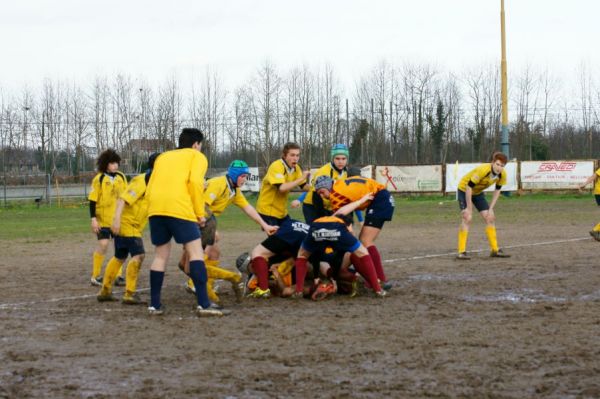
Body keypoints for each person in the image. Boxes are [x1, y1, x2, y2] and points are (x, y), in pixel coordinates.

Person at [144, 128, 227, 317]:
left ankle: (154, 305)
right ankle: (204, 304)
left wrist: (152, 208)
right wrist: (199, 213)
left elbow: (151, 182)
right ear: (196, 144)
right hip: (180, 207)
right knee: (196, 252)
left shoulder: (163, 157)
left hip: (155, 208)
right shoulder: (197, 156)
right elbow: (195, 183)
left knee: (160, 256)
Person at [181, 160, 279, 302]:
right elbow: (201, 205)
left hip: (204, 222)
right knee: (208, 251)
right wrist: (210, 228)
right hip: (195, 219)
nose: (245, 179)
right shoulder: (219, 184)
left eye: (246, 176)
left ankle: (206, 283)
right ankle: (196, 284)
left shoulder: (234, 191)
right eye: (242, 176)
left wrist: (265, 225)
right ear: (234, 175)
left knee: (209, 255)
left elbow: (248, 208)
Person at [96, 153, 159, 304]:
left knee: (119, 256)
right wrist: (116, 220)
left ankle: (105, 291)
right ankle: (129, 293)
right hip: (127, 224)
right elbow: (122, 200)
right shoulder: (142, 180)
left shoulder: (155, 182)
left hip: (132, 225)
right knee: (139, 255)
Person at [311, 174, 394, 289]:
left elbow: (337, 220)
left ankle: (381, 279)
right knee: (364, 240)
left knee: (365, 240)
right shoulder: (340, 185)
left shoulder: (335, 194)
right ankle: (376, 278)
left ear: (328, 186)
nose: (322, 196)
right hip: (382, 197)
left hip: (380, 199)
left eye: (322, 191)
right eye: (319, 193)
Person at [293, 213, 386, 298]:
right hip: (335, 233)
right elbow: (339, 257)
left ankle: (298, 291)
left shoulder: (324, 221)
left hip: (315, 227)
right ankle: (378, 290)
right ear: (348, 226)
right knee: (363, 253)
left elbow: (315, 255)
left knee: (301, 256)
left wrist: (316, 277)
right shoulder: (342, 226)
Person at [456, 151, 511, 260]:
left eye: (502, 166)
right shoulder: (483, 170)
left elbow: (497, 191)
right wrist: (469, 209)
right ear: (492, 162)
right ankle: (461, 252)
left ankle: (495, 250)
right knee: (467, 218)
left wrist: (491, 209)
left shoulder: (502, 174)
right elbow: (469, 187)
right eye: (498, 164)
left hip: (477, 193)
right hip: (464, 189)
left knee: (490, 218)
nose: (499, 168)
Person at [87, 149, 127, 287]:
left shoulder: (121, 177)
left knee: (120, 247)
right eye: (112, 163)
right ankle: (95, 276)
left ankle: (118, 275)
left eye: (116, 162)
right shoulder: (99, 179)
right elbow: (92, 200)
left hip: (118, 220)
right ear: (105, 164)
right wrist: (93, 219)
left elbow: (126, 197)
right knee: (103, 245)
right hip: (103, 220)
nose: (115, 165)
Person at [246, 218, 311, 298]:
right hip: (308, 235)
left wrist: (276, 273)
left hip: (290, 233)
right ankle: (323, 284)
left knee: (257, 253)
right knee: (310, 262)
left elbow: (282, 290)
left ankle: (263, 290)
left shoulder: (269, 262)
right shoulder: (289, 221)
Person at [256, 142, 310, 226]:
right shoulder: (277, 166)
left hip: (281, 212)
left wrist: (317, 188)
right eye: (292, 155)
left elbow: (303, 186)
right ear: (284, 155)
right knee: (278, 238)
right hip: (268, 211)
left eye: (297, 155)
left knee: (289, 235)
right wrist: (301, 178)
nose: (295, 158)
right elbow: (282, 188)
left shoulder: (296, 168)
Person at [294, 144, 350, 224]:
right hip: (312, 206)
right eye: (337, 158)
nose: (340, 161)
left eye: (343, 159)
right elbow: (313, 192)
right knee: (317, 231)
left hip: (328, 206)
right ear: (332, 158)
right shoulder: (323, 172)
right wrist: (300, 199)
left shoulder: (345, 172)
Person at [578, 167, 600, 241]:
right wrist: (584, 184)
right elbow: (594, 176)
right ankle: (595, 230)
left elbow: (594, 176)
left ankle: (597, 231)